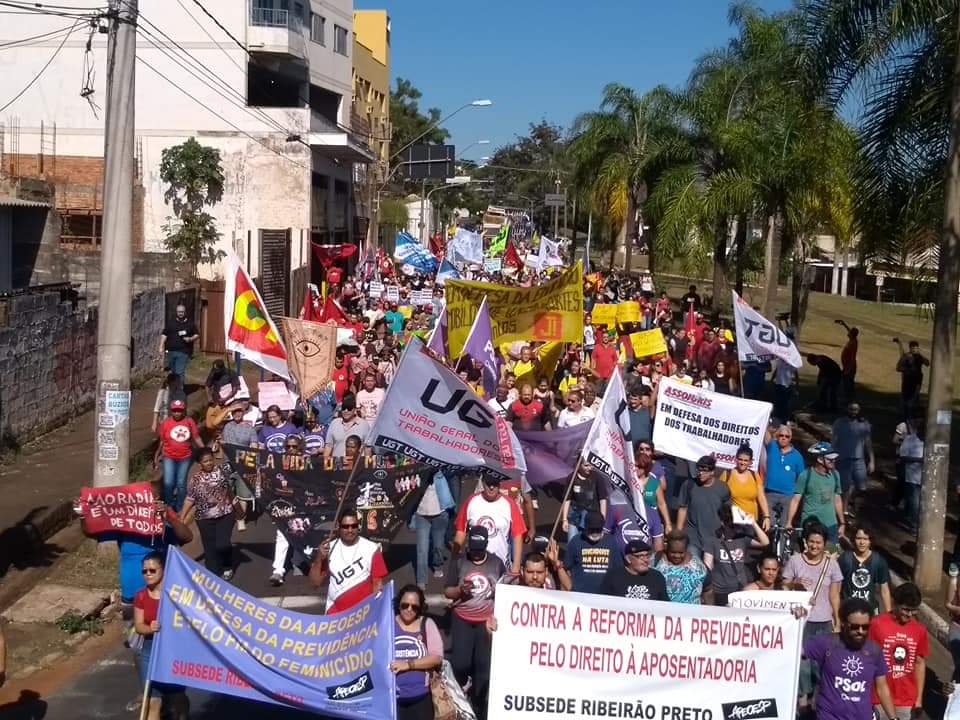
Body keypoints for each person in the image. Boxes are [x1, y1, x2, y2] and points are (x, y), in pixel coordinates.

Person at [444, 526, 503, 720]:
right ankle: (462, 688)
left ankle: (478, 706)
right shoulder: (460, 562)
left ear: (486, 545)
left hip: (485, 622)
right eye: (473, 549)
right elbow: (448, 592)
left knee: (483, 668)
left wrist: (497, 591)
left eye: (479, 550)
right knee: (460, 664)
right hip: (462, 617)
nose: (476, 554)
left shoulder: (496, 563)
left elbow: (505, 591)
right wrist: (460, 591)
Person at [803, 598, 897, 720]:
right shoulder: (827, 642)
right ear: (843, 623)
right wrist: (799, 618)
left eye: (865, 627)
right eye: (854, 627)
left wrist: (894, 718)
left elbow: (882, 688)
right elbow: (792, 651)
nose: (860, 631)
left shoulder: (875, 651)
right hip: (828, 716)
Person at [785, 523, 843, 713]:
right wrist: (794, 583)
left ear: (824, 544)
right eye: (811, 542)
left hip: (824, 622)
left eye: (819, 542)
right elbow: (783, 586)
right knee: (802, 665)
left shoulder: (832, 565)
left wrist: (837, 619)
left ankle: (817, 706)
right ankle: (801, 706)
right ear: (805, 542)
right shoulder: (795, 561)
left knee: (822, 666)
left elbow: (835, 595)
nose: (815, 546)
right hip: (801, 622)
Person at [133, 552, 189, 720]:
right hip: (149, 653)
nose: (148, 574)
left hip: (173, 653)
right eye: (144, 571)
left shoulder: (176, 594)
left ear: (163, 570)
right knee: (151, 701)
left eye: (152, 570)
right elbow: (139, 626)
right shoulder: (141, 596)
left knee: (177, 698)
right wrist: (150, 629)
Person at [309, 507, 388, 614]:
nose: (350, 530)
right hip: (335, 615)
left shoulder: (372, 548)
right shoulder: (329, 549)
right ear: (338, 527)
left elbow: (377, 585)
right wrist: (319, 558)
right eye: (345, 527)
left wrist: (375, 613)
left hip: (363, 614)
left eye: (354, 526)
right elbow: (315, 583)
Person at [868, 582, 928, 720]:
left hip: (906, 701)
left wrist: (918, 700)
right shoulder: (876, 624)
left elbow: (919, 664)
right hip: (878, 699)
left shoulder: (920, 630)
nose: (910, 615)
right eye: (906, 609)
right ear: (895, 604)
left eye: (914, 610)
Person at [180, 448, 236, 580]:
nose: (209, 463)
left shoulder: (223, 471)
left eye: (211, 460)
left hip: (225, 513)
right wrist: (182, 517)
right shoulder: (195, 480)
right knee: (209, 547)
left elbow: (237, 464)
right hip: (204, 518)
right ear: (199, 464)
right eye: (205, 461)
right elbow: (190, 499)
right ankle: (213, 574)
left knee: (223, 544)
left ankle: (227, 565)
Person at [453, 475, 525, 575]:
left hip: (500, 566)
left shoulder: (509, 504)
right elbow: (461, 531)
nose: (491, 487)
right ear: (483, 483)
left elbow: (518, 535)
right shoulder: (471, 501)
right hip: (472, 565)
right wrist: (454, 560)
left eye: (495, 484)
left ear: (499, 484)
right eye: (488, 484)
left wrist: (516, 567)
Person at [391, 584, 443, 720]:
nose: (409, 609)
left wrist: (408, 665)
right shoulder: (387, 623)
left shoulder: (427, 624)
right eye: (405, 605)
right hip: (391, 698)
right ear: (398, 604)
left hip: (421, 697)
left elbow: (436, 658)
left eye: (414, 607)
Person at [703, 503, 769, 606]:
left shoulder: (742, 539)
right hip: (719, 591)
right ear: (722, 522)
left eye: (734, 525)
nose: (733, 529)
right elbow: (707, 566)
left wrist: (753, 523)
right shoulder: (712, 541)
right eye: (730, 525)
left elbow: (765, 542)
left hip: (739, 589)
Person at [787, 442, 845, 543]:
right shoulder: (805, 475)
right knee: (811, 554)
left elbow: (837, 499)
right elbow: (796, 500)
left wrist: (842, 523)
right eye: (830, 459)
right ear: (819, 459)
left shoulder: (836, 475)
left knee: (832, 554)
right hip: (810, 525)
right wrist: (789, 522)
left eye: (834, 459)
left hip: (831, 525)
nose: (833, 461)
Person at [676, 455, 732, 558]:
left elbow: (726, 512)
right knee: (694, 567)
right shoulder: (689, 485)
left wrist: (726, 531)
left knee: (711, 570)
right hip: (693, 536)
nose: (701, 473)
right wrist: (678, 533)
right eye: (699, 469)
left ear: (712, 472)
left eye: (705, 470)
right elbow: (682, 508)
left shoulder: (722, 488)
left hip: (714, 537)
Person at [156, 399, 203, 511]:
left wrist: (204, 450)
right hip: (168, 457)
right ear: (171, 411)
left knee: (181, 483)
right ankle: (168, 507)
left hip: (185, 458)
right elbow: (162, 441)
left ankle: (180, 507)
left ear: (184, 411)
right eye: (175, 410)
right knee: (168, 483)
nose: (177, 413)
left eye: (180, 410)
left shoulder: (189, 421)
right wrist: (157, 454)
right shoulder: (166, 423)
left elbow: (196, 438)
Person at [832, 402, 875, 517]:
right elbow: (834, 441)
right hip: (843, 458)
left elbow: (868, 442)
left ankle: (851, 504)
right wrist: (832, 457)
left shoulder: (864, 424)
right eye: (851, 409)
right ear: (847, 409)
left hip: (859, 459)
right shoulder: (839, 423)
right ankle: (844, 510)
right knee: (845, 486)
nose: (854, 412)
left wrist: (872, 460)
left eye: (856, 409)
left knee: (862, 486)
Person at [412, 471, 455, 587]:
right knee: (422, 549)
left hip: (440, 514)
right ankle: (421, 580)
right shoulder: (416, 476)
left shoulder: (440, 475)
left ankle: (437, 565)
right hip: (421, 515)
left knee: (438, 545)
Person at [838, 525, 892, 614]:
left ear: (870, 541)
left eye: (865, 539)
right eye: (858, 538)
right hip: (848, 610)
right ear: (853, 539)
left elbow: (884, 589)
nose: (862, 542)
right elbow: (836, 588)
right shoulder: (845, 559)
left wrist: (889, 614)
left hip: (870, 611)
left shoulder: (878, 561)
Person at [565, 510, 618, 594]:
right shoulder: (575, 541)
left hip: (605, 595)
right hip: (581, 594)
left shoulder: (612, 542)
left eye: (598, 529)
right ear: (585, 527)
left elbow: (618, 569)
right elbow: (567, 567)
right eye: (592, 529)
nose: (595, 533)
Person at [655, 530, 713, 604]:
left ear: (686, 549)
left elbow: (708, 590)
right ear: (667, 548)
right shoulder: (655, 562)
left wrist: (710, 611)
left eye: (681, 552)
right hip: (662, 613)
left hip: (690, 614)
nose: (677, 556)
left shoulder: (699, 567)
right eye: (673, 552)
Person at [720, 445, 770, 530]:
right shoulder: (727, 474)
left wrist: (766, 517)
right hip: (733, 522)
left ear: (750, 462)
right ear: (736, 459)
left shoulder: (754, 475)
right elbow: (719, 497)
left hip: (752, 521)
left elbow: (761, 497)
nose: (742, 463)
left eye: (746, 460)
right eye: (740, 459)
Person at [600, 539, 669, 601]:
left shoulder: (657, 577)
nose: (645, 560)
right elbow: (601, 602)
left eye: (647, 556)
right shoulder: (613, 576)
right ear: (628, 559)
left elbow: (665, 606)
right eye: (640, 556)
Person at [763, 423, 805, 524]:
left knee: (784, 526)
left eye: (787, 436)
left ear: (790, 438)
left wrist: (797, 496)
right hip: (769, 493)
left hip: (788, 496)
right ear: (777, 437)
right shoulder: (772, 446)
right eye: (781, 435)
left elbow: (801, 477)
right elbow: (763, 429)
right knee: (769, 524)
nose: (783, 438)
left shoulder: (797, 456)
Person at [561, 463, 608, 541]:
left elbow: (603, 500)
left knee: (588, 544)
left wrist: (602, 520)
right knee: (572, 542)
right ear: (579, 465)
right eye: (586, 466)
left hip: (592, 518)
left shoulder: (597, 477)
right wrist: (564, 519)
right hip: (574, 517)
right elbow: (567, 499)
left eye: (591, 465)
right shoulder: (572, 477)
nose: (589, 468)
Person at [160, 303, 199, 384]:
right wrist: (161, 346)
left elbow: (197, 334)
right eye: (179, 312)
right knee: (172, 372)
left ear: (185, 312)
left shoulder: (190, 323)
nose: (180, 313)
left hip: (183, 351)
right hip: (170, 351)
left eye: (182, 312)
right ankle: (173, 389)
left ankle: (179, 391)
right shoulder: (171, 322)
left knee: (179, 372)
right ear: (176, 312)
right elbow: (164, 334)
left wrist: (190, 339)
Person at [324, 395, 370, 459]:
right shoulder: (334, 423)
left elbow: (367, 448)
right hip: (338, 465)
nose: (346, 411)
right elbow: (328, 446)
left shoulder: (364, 425)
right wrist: (324, 463)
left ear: (354, 410)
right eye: (343, 408)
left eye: (349, 408)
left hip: (356, 466)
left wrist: (367, 466)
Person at [898, 420, 925, 532]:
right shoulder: (910, 439)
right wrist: (919, 460)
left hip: (927, 478)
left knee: (920, 502)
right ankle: (914, 525)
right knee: (915, 501)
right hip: (912, 477)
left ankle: (912, 517)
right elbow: (903, 457)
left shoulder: (932, 441)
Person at [895, 340, 929, 419]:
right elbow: (898, 368)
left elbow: (927, 363)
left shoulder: (919, 357)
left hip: (917, 382)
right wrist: (907, 370)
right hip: (907, 381)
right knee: (905, 399)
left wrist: (921, 356)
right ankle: (904, 417)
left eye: (916, 348)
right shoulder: (906, 357)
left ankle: (911, 416)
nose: (915, 350)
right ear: (910, 348)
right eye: (913, 348)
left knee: (914, 400)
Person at [837, 321, 859, 401]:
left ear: (852, 334)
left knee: (848, 384)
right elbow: (849, 330)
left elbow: (853, 358)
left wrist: (848, 369)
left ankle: (849, 399)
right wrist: (844, 324)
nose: (848, 333)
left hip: (849, 367)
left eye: (850, 332)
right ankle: (849, 399)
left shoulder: (853, 343)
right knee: (847, 383)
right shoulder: (852, 340)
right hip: (847, 366)